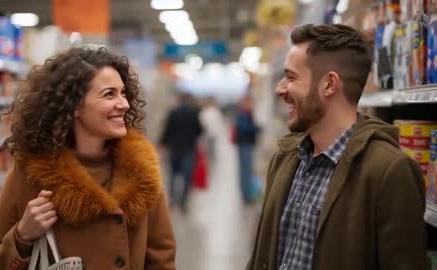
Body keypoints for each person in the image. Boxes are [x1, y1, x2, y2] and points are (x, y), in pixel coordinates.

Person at [247, 24, 428, 270]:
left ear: (329, 84)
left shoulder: (389, 172)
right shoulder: (285, 158)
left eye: (291, 77)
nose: (280, 89)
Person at [0, 47, 176, 270]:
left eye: (123, 93)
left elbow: (162, 258)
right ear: (74, 105)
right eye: (109, 94)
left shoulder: (142, 171)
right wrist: (22, 236)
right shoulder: (30, 175)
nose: (125, 104)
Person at [160, 92, 202, 214]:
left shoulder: (173, 113)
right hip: (189, 149)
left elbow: (167, 130)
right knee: (187, 177)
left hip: (175, 148)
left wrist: (163, 144)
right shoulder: (194, 113)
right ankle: (183, 202)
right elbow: (199, 131)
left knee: (173, 175)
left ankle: (173, 200)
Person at [234, 95, 260, 204]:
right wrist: (256, 128)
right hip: (245, 144)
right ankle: (245, 195)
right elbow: (243, 129)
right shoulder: (242, 115)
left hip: (246, 144)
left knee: (246, 169)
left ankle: (246, 193)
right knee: (246, 170)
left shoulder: (247, 114)